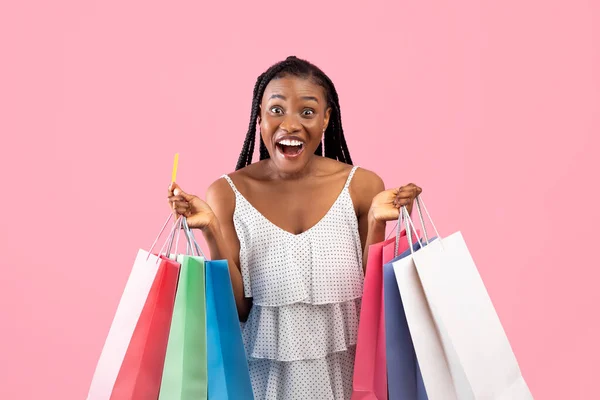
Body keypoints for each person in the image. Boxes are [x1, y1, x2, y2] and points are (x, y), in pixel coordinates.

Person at [168, 56, 422, 400]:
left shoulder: (362, 186)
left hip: (345, 381)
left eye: (307, 112)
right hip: (259, 381)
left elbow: (370, 302)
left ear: (325, 119)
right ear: (259, 118)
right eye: (276, 110)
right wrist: (210, 228)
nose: (290, 124)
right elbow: (237, 312)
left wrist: (377, 223)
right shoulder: (226, 193)